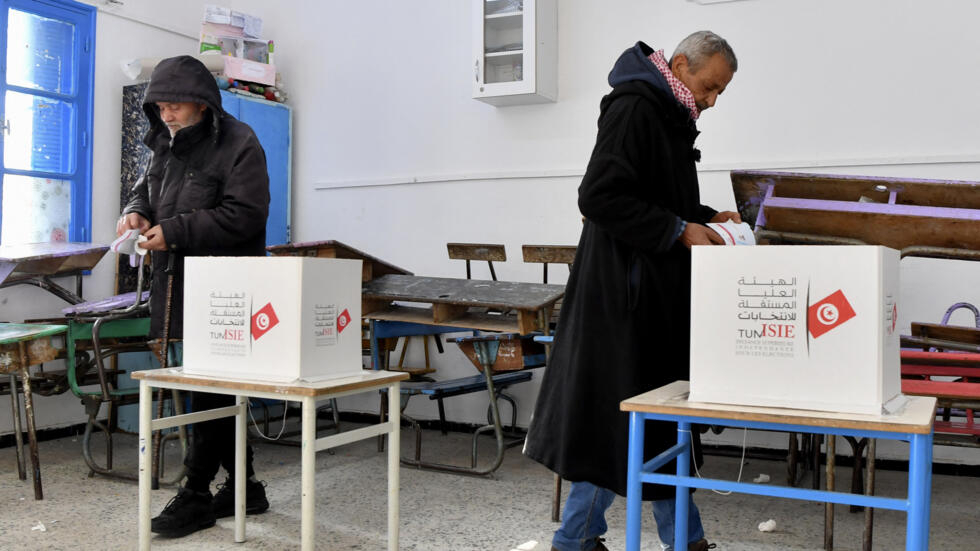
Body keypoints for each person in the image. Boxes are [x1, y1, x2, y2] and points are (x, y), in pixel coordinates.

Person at [523, 31, 740, 551]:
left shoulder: (667, 113)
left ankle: (579, 539)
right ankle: (658, 541)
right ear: (682, 65)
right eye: (709, 87)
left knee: (644, 423)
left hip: (643, 297)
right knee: (643, 421)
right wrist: (676, 230)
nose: (710, 101)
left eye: (719, 94)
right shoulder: (636, 109)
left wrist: (707, 217)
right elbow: (599, 195)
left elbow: (655, 194)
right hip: (624, 301)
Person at [116, 55, 271, 538]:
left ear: (203, 105)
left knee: (210, 390)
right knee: (203, 389)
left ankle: (197, 493)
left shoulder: (241, 143)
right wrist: (137, 213)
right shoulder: (163, 145)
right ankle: (246, 487)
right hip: (176, 286)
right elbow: (146, 192)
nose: (167, 115)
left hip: (226, 289)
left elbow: (245, 215)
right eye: (160, 107)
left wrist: (175, 230)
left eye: (176, 105)